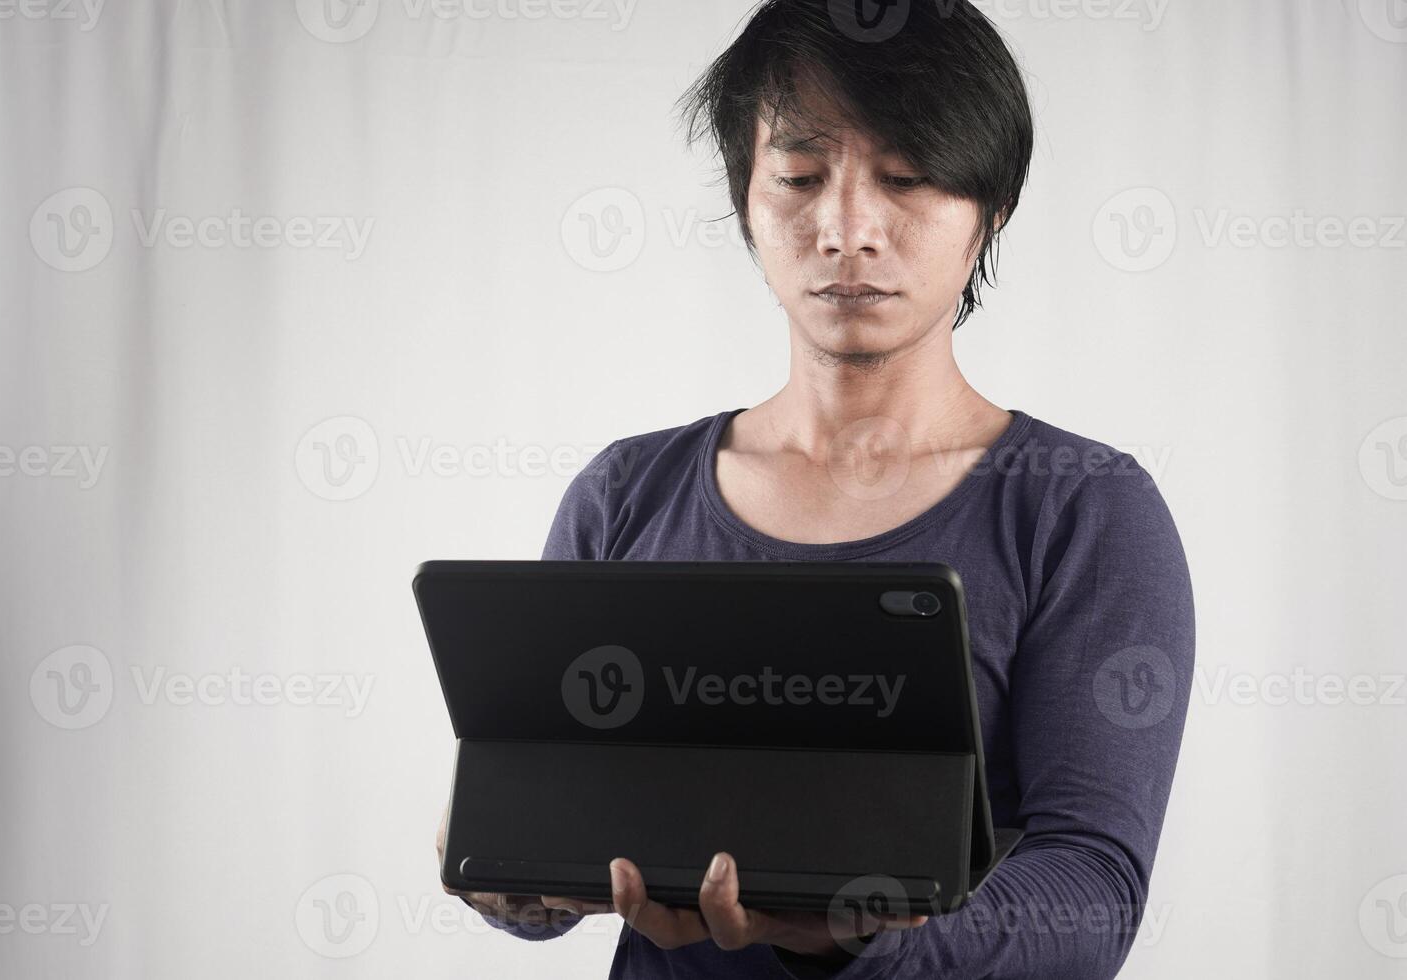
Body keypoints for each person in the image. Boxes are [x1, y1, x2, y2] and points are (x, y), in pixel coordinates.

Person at [436, 0, 1195, 976]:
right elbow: (557, 845)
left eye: (907, 177)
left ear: (991, 209)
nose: (847, 230)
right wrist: (506, 864)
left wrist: (857, 935)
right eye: (799, 176)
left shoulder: (1086, 512)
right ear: (745, 200)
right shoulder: (626, 490)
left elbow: (1091, 892)